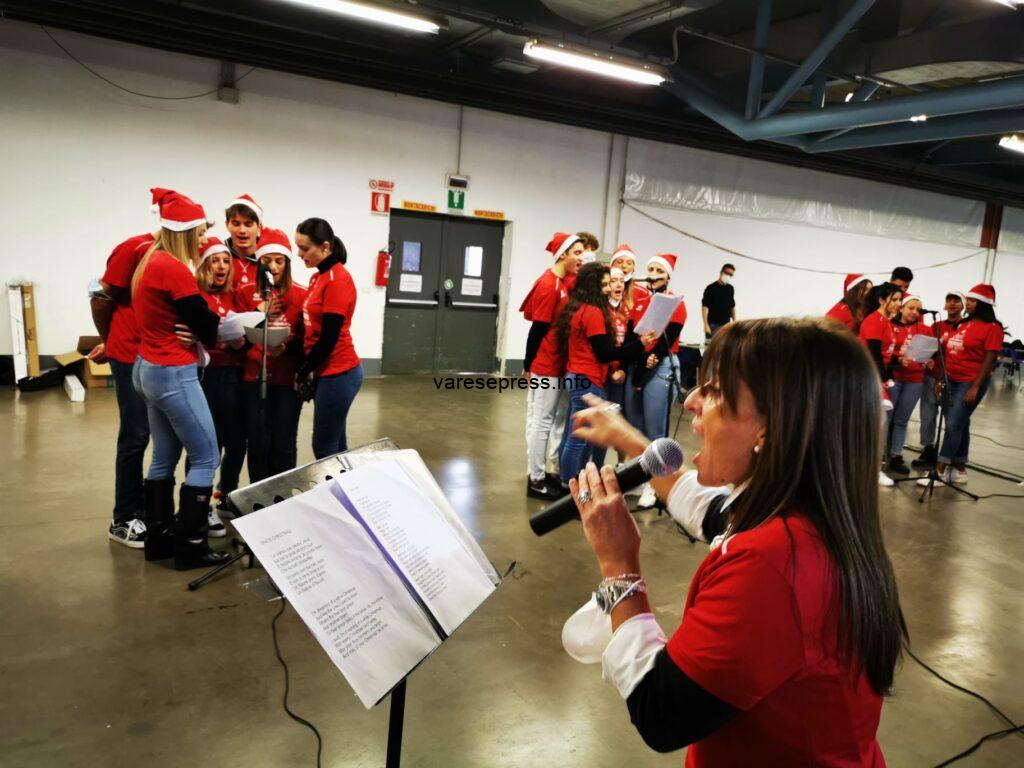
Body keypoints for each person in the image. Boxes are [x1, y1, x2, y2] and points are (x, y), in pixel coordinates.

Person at [565, 317, 907, 766]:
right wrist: (628, 439)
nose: (690, 402)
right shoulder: (806, 514)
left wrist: (619, 566)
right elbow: (709, 511)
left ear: (768, 429)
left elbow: (662, 712)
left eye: (715, 392)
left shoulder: (772, 565)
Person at [130, 188, 229, 570]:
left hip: (148, 368)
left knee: (163, 458)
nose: (203, 239)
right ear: (185, 232)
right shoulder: (172, 267)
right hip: (172, 372)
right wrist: (217, 327)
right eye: (200, 232)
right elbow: (206, 324)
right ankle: (191, 547)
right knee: (205, 457)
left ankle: (159, 541)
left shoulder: (149, 260)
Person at [557, 263, 655, 486]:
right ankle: (569, 487)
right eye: (603, 285)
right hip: (587, 378)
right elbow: (605, 353)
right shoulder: (592, 312)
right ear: (592, 286)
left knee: (574, 436)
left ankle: (572, 481)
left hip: (577, 375)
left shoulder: (578, 306)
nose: (608, 289)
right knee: (578, 440)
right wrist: (640, 345)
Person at [90, 227, 155, 548]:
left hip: (159, 356)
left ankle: (144, 510)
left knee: (159, 437)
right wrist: (109, 339)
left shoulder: (180, 255)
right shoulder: (133, 248)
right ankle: (124, 517)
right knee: (136, 434)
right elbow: (100, 299)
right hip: (129, 354)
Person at [236, 228, 307, 481]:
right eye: (267, 261)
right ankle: (258, 494)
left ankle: (285, 494)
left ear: (287, 264)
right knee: (257, 439)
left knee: (284, 439)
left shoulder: (301, 293)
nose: (274, 267)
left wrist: (286, 348)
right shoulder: (244, 293)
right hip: (253, 379)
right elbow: (235, 335)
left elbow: (306, 337)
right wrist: (258, 312)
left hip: (286, 380)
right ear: (259, 263)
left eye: (280, 261)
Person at [520, 232, 585, 500]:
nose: (581, 258)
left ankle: (537, 472)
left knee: (541, 420)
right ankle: (536, 480)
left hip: (551, 362)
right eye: (577, 253)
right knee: (542, 423)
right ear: (563, 254)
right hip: (546, 364)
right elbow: (537, 330)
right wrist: (528, 366)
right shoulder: (549, 284)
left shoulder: (560, 282)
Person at [918, 284, 1002, 486]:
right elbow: (948, 354)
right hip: (950, 379)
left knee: (954, 424)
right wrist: (940, 378)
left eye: (972, 301)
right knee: (960, 424)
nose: (968, 304)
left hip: (970, 381)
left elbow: (989, 360)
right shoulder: (964, 324)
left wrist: (975, 386)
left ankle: (940, 469)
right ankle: (960, 467)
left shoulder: (993, 328)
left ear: (982, 304)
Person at [294, 218, 363, 458]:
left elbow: (328, 339)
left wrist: (303, 372)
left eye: (305, 248)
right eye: (298, 247)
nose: (300, 254)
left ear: (324, 247)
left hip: (339, 371)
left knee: (324, 447)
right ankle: (348, 491)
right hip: (327, 370)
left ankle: (337, 493)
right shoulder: (318, 277)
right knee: (336, 445)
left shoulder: (337, 279)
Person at [625, 253, 687, 508]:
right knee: (635, 425)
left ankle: (656, 486)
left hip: (660, 366)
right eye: (649, 268)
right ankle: (639, 479)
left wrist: (651, 358)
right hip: (637, 364)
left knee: (654, 430)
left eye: (658, 270)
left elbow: (670, 335)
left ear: (668, 275)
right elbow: (631, 333)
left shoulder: (675, 303)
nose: (652, 273)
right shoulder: (638, 300)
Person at [194, 237, 246, 535]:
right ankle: (200, 509)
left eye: (226, 261)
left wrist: (238, 343)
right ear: (204, 265)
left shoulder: (231, 298)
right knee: (207, 446)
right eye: (215, 261)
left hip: (230, 376)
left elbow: (237, 336)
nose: (222, 267)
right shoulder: (196, 296)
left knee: (238, 442)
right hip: (206, 377)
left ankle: (226, 494)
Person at [913, 291, 965, 469]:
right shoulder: (936, 325)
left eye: (956, 301)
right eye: (948, 300)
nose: (951, 304)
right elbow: (930, 350)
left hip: (953, 380)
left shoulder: (967, 327)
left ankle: (948, 455)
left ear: (963, 305)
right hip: (931, 377)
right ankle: (928, 449)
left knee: (952, 419)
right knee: (927, 415)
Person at [859, 282, 903, 487]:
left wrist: (897, 362)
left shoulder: (886, 321)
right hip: (868, 376)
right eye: (894, 299)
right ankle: (873, 470)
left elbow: (884, 355)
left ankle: (873, 468)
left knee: (879, 424)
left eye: (899, 300)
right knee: (878, 424)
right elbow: (874, 354)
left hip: (876, 375)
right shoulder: (875, 321)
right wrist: (884, 379)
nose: (898, 304)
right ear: (882, 300)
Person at [885, 295, 930, 476]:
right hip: (893, 378)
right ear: (901, 308)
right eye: (911, 308)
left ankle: (896, 455)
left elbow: (929, 353)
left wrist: (930, 361)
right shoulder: (888, 325)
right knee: (886, 419)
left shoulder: (925, 329)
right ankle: (879, 456)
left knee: (902, 420)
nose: (914, 312)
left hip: (915, 380)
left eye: (918, 310)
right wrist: (898, 359)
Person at [591, 267, 630, 469]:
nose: (617, 285)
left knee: (609, 422)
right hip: (602, 374)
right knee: (595, 422)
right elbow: (598, 347)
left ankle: (598, 466)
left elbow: (628, 345)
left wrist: (622, 369)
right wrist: (610, 371)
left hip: (619, 377)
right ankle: (586, 470)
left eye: (621, 281)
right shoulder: (599, 309)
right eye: (613, 281)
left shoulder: (627, 311)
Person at [224, 194, 264, 288]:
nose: (242, 230)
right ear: (227, 225)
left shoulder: (270, 259)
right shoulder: (217, 258)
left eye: (248, 224)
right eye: (236, 224)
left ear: (259, 227)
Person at [700, 263, 735, 339]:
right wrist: (706, 325)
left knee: (724, 349)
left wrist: (735, 322)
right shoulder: (711, 288)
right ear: (721, 272)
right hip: (713, 325)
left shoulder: (730, 289)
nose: (728, 276)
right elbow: (705, 307)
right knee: (712, 348)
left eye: (731, 275)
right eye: (727, 273)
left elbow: (732, 306)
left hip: (726, 325)